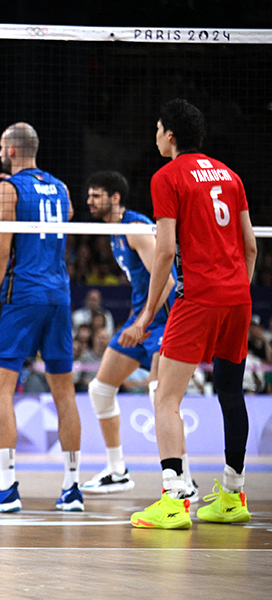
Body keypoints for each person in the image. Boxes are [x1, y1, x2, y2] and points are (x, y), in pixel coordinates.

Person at [124, 99, 256, 529]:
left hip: (198, 297)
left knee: (165, 396)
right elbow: (250, 245)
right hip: (238, 296)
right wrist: (238, 289)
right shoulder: (230, 176)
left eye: (158, 129)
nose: (156, 136)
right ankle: (233, 496)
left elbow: (165, 250)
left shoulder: (167, 176)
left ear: (171, 136)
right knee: (230, 394)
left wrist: (146, 314)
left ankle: (174, 499)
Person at [0, 122, 83, 513]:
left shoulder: (7, 189)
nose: (0, 152)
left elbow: (0, 251)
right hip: (59, 294)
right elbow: (66, 220)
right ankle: (72, 488)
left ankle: (7, 486)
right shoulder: (63, 189)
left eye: (2, 147)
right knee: (64, 391)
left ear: (12, 151)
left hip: (23, 295)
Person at [79, 170, 200, 497]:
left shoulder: (135, 229)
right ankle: (117, 470)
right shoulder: (115, 232)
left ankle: (184, 480)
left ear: (115, 198)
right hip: (140, 320)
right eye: (89, 195)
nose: (89, 201)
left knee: (160, 395)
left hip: (163, 322)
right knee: (100, 390)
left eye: (96, 195)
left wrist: (142, 323)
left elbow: (170, 283)